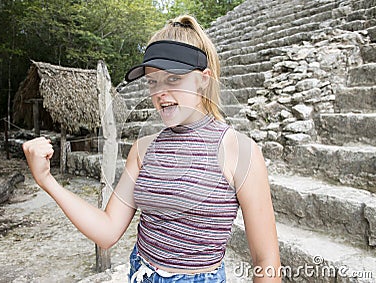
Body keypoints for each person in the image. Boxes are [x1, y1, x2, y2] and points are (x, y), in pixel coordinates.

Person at [23, 15, 281, 283]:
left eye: (172, 79)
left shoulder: (240, 151)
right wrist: (47, 181)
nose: (160, 92)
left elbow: (266, 260)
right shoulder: (143, 149)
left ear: (203, 79)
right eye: (152, 81)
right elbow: (108, 230)